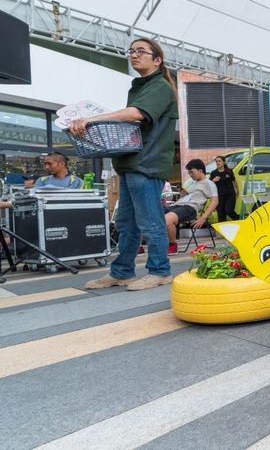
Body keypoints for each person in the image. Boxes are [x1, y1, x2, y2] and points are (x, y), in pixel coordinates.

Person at [72, 37, 177, 291]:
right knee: (126, 222)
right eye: (131, 51)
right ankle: (121, 271)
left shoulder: (160, 87)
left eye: (141, 51)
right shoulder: (140, 87)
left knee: (150, 221)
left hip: (147, 164)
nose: (134, 55)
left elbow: (136, 114)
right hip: (131, 164)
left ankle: (160, 270)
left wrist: (91, 119)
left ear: (157, 59)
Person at [164, 159, 218, 254]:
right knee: (151, 214)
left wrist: (203, 217)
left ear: (200, 170)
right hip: (177, 205)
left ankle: (172, 245)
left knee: (167, 220)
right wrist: (185, 193)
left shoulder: (209, 183)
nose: (190, 175)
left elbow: (215, 201)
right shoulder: (194, 183)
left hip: (189, 208)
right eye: (189, 173)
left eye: (192, 172)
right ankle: (140, 247)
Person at [210, 155, 238, 222]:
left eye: (219, 161)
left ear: (224, 162)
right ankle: (222, 231)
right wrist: (213, 180)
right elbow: (210, 184)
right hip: (219, 196)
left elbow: (234, 181)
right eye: (216, 161)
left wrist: (237, 190)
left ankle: (239, 220)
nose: (217, 163)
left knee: (229, 211)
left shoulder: (229, 171)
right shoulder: (213, 173)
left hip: (230, 195)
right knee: (221, 215)